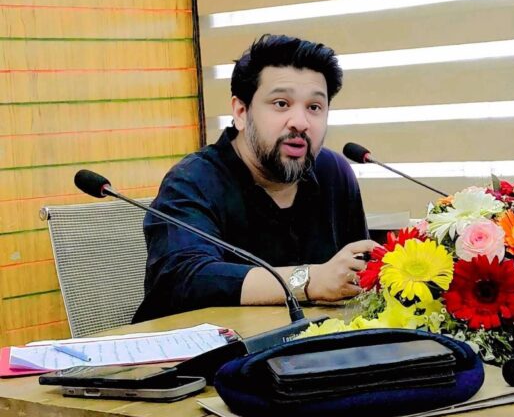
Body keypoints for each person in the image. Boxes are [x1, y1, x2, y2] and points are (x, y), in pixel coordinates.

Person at [133, 34, 377, 323]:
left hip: (314, 346)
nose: (300, 123)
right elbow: (182, 279)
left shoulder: (334, 172)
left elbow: (361, 276)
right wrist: (308, 281)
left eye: (314, 107)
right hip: (215, 349)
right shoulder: (192, 180)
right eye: (281, 103)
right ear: (241, 112)